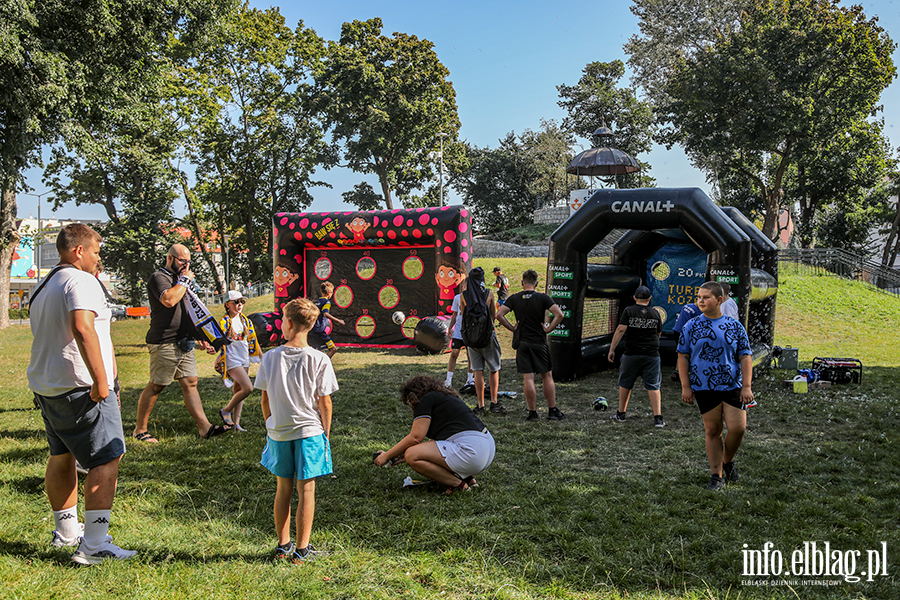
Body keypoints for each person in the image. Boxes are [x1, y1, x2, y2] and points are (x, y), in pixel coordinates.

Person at [27, 223, 135, 564]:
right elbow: (82, 326)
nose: (97, 257)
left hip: (49, 386)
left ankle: (68, 532)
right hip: (81, 388)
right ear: (79, 251)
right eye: (96, 251)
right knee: (106, 457)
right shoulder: (81, 280)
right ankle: (95, 544)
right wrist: (102, 382)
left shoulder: (44, 285)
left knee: (62, 456)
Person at [256, 297, 338, 562]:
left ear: (288, 323)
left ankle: (284, 546)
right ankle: (302, 550)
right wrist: (325, 433)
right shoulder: (320, 359)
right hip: (310, 433)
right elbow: (324, 402)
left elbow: (265, 399)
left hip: (279, 432)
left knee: (283, 489)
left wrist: (271, 424)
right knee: (307, 490)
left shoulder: (269, 357)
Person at [133, 244, 229, 442]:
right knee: (157, 385)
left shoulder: (181, 281)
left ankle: (205, 428)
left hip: (184, 340)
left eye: (188, 262)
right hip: (164, 340)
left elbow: (189, 312)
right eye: (182, 261)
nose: (186, 265)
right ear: (170, 258)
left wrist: (200, 337)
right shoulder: (159, 278)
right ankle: (140, 430)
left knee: (190, 382)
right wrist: (185, 280)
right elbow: (169, 300)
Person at [677, 282, 754, 491]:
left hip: (732, 385)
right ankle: (716, 475)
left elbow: (745, 357)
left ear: (719, 300)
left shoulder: (734, 326)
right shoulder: (691, 326)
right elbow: (682, 356)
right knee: (713, 430)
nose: (700, 301)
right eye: (699, 297)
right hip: (703, 386)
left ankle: (727, 461)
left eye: (706, 297)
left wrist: (746, 386)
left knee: (738, 428)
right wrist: (686, 386)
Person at [374, 375, 495, 494]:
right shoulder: (443, 398)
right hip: (486, 447)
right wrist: (400, 454)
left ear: (413, 396)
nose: (412, 407)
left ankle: (458, 485)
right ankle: (469, 478)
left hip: (472, 451)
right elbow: (433, 446)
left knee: (412, 455)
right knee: (415, 451)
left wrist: (387, 456)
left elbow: (416, 438)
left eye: (410, 402)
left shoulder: (424, 399)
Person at [496, 269, 565, 421]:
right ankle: (552, 410)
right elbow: (560, 314)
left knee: (528, 378)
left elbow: (499, 315)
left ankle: (532, 412)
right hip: (539, 341)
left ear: (522, 283)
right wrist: (548, 329)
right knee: (547, 375)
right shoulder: (543, 298)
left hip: (522, 342)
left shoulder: (514, 298)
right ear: (536, 283)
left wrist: (513, 328)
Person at [607, 286, 665, 427]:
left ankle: (621, 414)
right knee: (653, 385)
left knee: (626, 383)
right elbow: (658, 334)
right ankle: (658, 418)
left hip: (632, 353)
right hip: (651, 354)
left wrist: (612, 349)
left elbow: (621, 329)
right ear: (649, 299)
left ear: (634, 298)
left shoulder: (629, 311)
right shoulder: (655, 313)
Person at [459, 267, 504, 415]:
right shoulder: (489, 294)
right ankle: (494, 402)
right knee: (493, 368)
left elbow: (464, 316)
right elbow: (493, 316)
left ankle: (480, 404)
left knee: (477, 370)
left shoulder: (464, 296)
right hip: (487, 337)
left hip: (471, 339)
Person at [216, 290, 261, 431]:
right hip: (231, 358)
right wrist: (218, 358)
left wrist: (262, 355)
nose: (239, 304)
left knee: (238, 390)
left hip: (244, 357)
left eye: (242, 301)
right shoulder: (224, 321)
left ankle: (236, 424)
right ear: (227, 305)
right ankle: (226, 410)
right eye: (236, 302)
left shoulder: (246, 321)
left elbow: (253, 340)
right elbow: (219, 341)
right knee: (248, 388)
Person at [445, 286, 476, 393]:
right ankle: (448, 380)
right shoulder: (457, 298)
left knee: (470, 355)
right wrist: (450, 328)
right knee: (454, 353)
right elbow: (454, 314)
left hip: (470, 331)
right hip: (458, 330)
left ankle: (470, 379)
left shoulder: (475, 298)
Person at [309, 281, 346, 359]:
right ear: (329, 293)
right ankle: (323, 365)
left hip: (312, 329)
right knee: (333, 349)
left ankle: (314, 366)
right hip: (319, 331)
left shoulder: (317, 301)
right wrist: (339, 320)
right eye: (332, 292)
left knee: (316, 351)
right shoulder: (327, 302)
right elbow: (325, 314)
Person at [670, 299, 702, 382]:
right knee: (688, 354)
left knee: (681, 353)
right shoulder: (697, 312)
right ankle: (684, 373)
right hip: (685, 333)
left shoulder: (687, 306)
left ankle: (677, 372)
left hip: (677, 330)